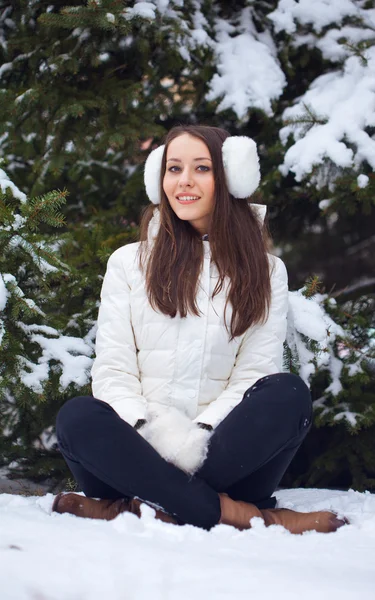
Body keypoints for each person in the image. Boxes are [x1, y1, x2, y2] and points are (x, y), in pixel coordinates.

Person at [53, 125, 348, 533]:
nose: (184, 180)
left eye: (202, 168)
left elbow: (253, 373)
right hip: (135, 451)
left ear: (231, 177)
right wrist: (154, 439)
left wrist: (195, 440)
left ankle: (129, 506)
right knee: (77, 417)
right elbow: (113, 372)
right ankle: (252, 516)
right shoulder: (126, 263)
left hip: (224, 455)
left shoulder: (266, 271)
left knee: (287, 393)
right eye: (173, 168)